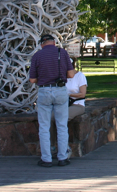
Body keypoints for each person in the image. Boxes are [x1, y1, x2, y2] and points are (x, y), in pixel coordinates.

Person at [29, 34, 76, 167]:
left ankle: (46, 159)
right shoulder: (63, 53)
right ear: (54, 42)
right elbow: (71, 74)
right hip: (60, 90)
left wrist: (43, 78)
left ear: (42, 43)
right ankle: (62, 157)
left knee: (44, 126)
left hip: (44, 91)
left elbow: (32, 79)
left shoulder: (37, 56)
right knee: (62, 125)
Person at [66, 58, 88, 126]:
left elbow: (82, 94)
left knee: (62, 117)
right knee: (50, 117)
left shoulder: (80, 76)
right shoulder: (62, 76)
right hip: (62, 103)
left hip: (77, 104)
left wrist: (69, 94)